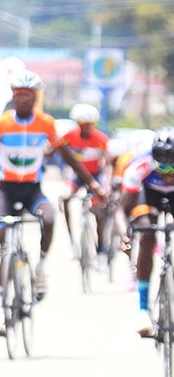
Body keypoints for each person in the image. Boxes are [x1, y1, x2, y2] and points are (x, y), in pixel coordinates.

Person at [0, 70, 106, 334]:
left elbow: (68, 156)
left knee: (49, 217)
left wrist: (92, 183)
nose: (23, 99)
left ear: (35, 98)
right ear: (13, 97)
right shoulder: (0, 125)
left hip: (32, 189)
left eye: (28, 96)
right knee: (3, 237)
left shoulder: (46, 124)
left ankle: (41, 269)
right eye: (19, 95)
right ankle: (3, 308)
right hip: (6, 190)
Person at [120, 127, 174, 335]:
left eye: (173, 170)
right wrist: (124, 234)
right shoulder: (139, 166)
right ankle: (143, 307)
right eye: (163, 169)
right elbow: (123, 210)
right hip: (148, 195)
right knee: (147, 235)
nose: (168, 176)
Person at [58, 103, 110, 261]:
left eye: (91, 125)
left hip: (95, 176)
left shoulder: (101, 138)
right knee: (66, 197)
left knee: (98, 211)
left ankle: (101, 248)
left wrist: (105, 185)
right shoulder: (69, 136)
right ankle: (72, 239)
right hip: (77, 175)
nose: (87, 128)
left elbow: (107, 163)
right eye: (83, 124)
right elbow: (55, 147)